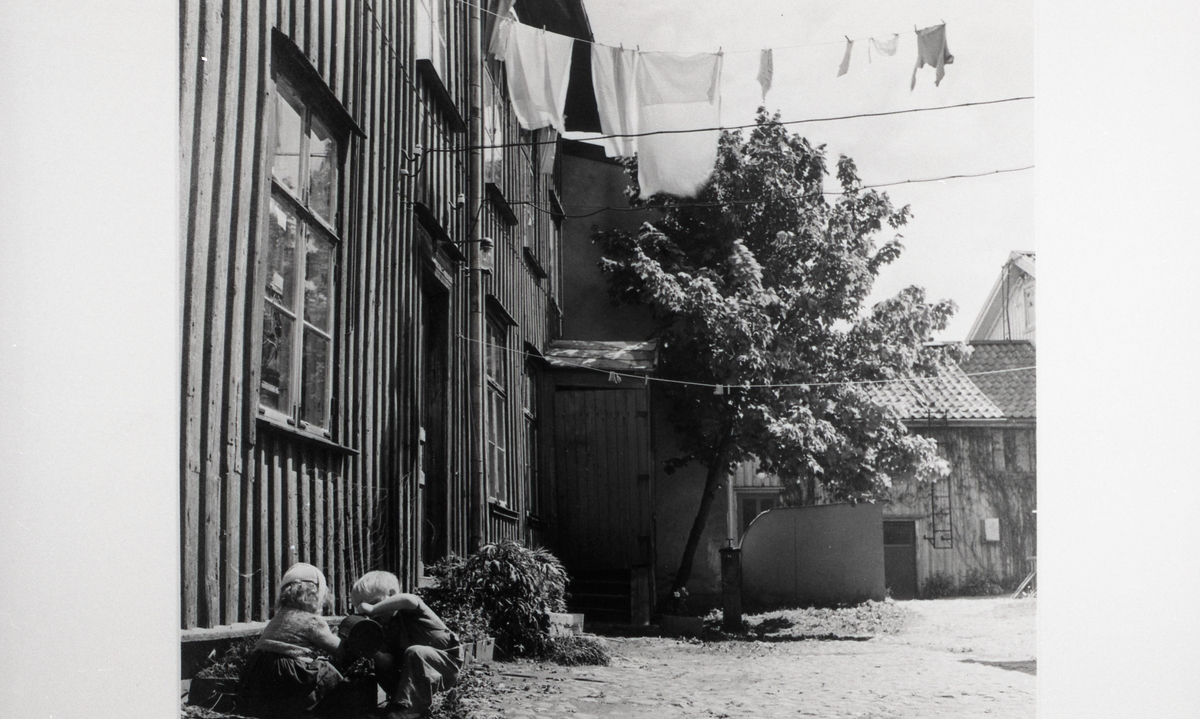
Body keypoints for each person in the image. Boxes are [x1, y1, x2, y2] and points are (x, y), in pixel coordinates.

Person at [351, 571, 461, 719]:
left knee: (415, 652)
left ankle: (412, 710)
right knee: (383, 664)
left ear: (392, 594)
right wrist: (372, 651)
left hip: (446, 667)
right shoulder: (386, 627)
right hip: (419, 679)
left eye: (373, 603)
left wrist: (373, 609)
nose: (371, 615)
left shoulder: (412, 609)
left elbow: (408, 599)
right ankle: (400, 705)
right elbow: (388, 663)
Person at [243, 563, 347, 719]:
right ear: (315, 595)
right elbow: (338, 649)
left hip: (259, 668)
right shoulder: (312, 621)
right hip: (289, 673)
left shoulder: (279, 616)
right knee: (327, 671)